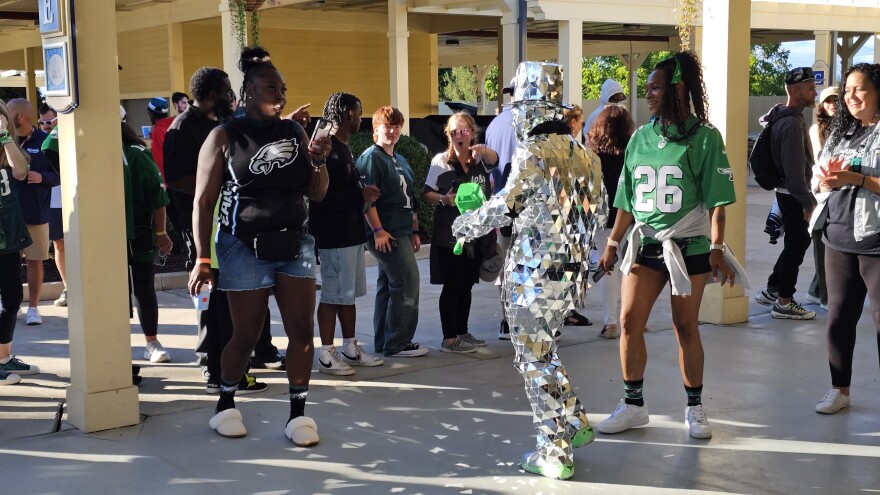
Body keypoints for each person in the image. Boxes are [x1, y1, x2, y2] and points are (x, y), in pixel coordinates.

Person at [452, 61, 603, 479]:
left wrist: (465, 223)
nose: (513, 112)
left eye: (516, 104)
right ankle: (575, 421)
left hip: (534, 276)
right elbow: (601, 215)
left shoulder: (533, 152)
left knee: (533, 361)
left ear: (530, 107)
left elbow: (507, 205)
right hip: (571, 275)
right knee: (545, 351)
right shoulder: (587, 157)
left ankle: (553, 452)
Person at [188, 46, 330, 443]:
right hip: (241, 246)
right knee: (245, 335)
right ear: (248, 91)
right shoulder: (224, 136)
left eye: (283, 88)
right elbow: (202, 201)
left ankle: (298, 414)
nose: (280, 95)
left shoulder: (293, 131)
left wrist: (319, 161)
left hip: (295, 243)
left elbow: (316, 193)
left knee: (302, 332)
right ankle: (226, 401)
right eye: (271, 88)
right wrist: (201, 257)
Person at [595, 51, 740, 440]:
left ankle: (695, 408)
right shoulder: (641, 136)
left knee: (684, 326)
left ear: (678, 89)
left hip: (688, 246)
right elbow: (626, 199)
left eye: (656, 88)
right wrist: (612, 242)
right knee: (628, 322)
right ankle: (633, 405)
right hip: (646, 244)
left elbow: (717, 201)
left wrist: (716, 248)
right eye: (647, 89)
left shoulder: (705, 137)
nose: (649, 95)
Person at [164, 67, 284, 378]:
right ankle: (211, 361)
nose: (231, 96)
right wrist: (220, 183)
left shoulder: (223, 123)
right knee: (212, 295)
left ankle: (257, 351)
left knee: (244, 288)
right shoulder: (182, 128)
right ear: (212, 94)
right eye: (227, 90)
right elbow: (176, 180)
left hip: (233, 222)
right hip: (203, 225)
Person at [810, 63, 880, 414]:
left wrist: (856, 179)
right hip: (837, 237)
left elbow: (858, 180)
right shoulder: (841, 133)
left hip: (877, 243)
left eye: (860, 89)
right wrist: (822, 182)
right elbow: (820, 175)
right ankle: (840, 389)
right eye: (847, 90)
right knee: (838, 317)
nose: (851, 97)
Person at [311, 92, 384, 375]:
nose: (362, 117)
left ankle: (350, 348)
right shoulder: (326, 148)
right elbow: (320, 198)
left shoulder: (344, 146)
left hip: (352, 234)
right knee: (332, 295)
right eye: (360, 111)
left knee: (347, 296)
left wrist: (362, 195)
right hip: (334, 235)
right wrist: (360, 194)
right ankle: (326, 354)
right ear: (349, 114)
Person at [423, 112, 497, 353]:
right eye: (453, 132)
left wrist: (484, 150)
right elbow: (427, 193)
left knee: (467, 285)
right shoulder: (441, 161)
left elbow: (496, 160)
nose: (458, 136)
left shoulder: (480, 159)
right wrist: (444, 199)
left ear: (473, 133)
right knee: (453, 285)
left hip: (475, 236)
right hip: (450, 236)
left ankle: (463, 331)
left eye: (463, 131)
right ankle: (449, 339)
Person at [356, 106, 427, 358]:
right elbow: (367, 200)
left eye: (397, 125)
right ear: (376, 129)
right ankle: (398, 343)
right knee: (407, 281)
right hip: (385, 232)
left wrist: (415, 230)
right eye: (388, 125)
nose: (393, 130)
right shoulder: (370, 158)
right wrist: (377, 230)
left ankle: (385, 342)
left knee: (389, 285)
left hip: (402, 230)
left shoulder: (400, 158)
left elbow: (410, 198)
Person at [753, 67, 818, 320]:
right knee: (797, 245)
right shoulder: (790, 123)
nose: (814, 92)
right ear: (793, 90)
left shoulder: (787, 117)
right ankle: (784, 301)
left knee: (796, 242)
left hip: (788, 193)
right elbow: (794, 172)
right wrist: (807, 202)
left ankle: (772, 288)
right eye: (809, 87)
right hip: (793, 194)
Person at [120, 122, 173, 363]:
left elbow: (157, 196)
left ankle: (151, 342)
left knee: (143, 288)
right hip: (103, 233)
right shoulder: (92, 152)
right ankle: (115, 345)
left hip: (138, 229)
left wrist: (161, 232)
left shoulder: (136, 154)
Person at [586, 104, 635, 339]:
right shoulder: (633, 152)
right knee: (629, 265)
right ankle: (632, 317)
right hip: (629, 214)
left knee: (607, 267)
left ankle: (611, 322)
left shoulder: (592, 155)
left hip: (602, 217)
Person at [8, 98, 58, 326]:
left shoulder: (45, 141)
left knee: (35, 262)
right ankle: (10, 303)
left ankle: (33, 308)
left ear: (20, 117)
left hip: (36, 213)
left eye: (8, 113)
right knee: (7, 262)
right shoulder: (5, 141)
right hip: (8, 215)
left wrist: (42, 178)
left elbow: (61, 173)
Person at [0, 100, 40, 384]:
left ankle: (4, 357)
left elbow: (21, 172)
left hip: (9, 236)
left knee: (12, 298)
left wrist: (4, 137)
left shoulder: (9, 150)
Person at [483, 80, 518, 340]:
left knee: (506, 263)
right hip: (528, 207)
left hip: (501, 205)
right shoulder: (530, 124)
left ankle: (506, 320)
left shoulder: (495, 124)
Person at [806, 86, 839, 311]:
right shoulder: (816, 129)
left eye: (837, 100)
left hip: (842, 189)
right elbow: (821, 159)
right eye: (828, 101)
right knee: (821, 239)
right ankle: (826, 297)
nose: (833, 105)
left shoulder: (851, 127)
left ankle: (814, 290)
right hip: (822, 189)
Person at [38, 105, 67, 308]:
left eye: (50, 122)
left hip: (77, 195)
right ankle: (69, 288)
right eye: (42, 123)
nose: (46, 126)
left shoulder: (68, 135)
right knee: (59, 243)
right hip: (55, 198)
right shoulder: (42, 142)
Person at [147, 97, 173, 180]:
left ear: (151, 113)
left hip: (168, 182)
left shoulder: (158, 131)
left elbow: (159, 160)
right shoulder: (173, 124)